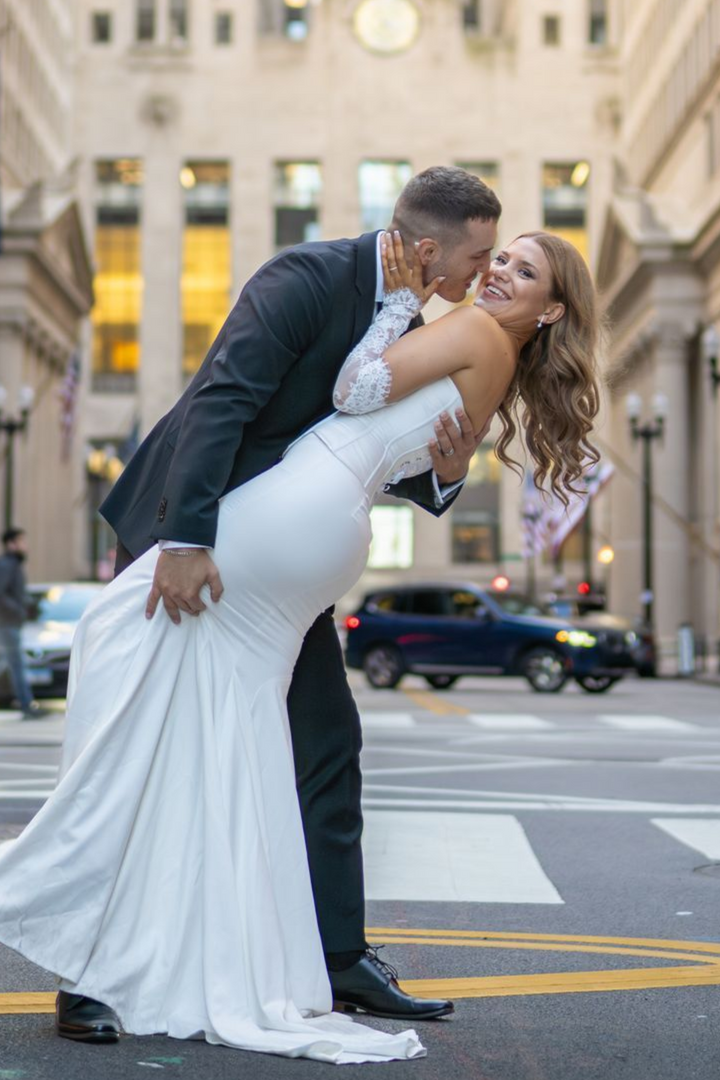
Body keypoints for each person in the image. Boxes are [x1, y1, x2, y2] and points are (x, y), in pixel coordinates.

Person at [0, 223, 599, 1063]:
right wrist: (184, 539)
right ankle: (138, 962)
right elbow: (224, 400)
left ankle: (314, 956)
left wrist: (407, 344)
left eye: (516, 266)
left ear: (551, 306)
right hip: (244, 529)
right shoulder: (311, 280)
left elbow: (365, 403)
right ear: (428, 247)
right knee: (206, 730)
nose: (490, 272)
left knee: (220, 719)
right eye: (488, 257)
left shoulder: (443, 320)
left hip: (284, 529)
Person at [0, 528, 48, 720]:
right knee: (17, 664)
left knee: (14, 663)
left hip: (10, 622)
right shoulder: (8, 565)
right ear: (11, 544)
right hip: (8, 623)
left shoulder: (12, 565)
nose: (25, 546)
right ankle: (27, 705)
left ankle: (26, 703)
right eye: (21, 541)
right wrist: (19, 610)